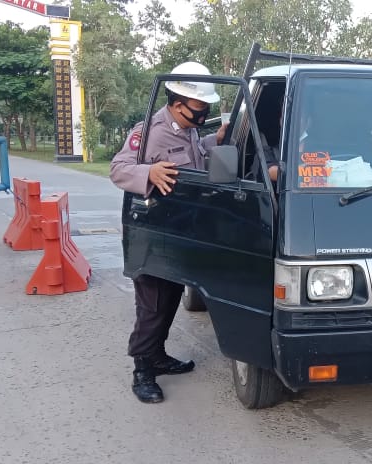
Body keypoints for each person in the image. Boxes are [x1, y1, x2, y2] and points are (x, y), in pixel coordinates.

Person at [109, 61, 224, 404]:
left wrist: (213, 141)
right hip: (151, 234)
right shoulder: (150, 131)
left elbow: (194, 156)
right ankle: (142, 370)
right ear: (177, 103)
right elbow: (118, 169)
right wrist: (148, 172)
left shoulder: (188, 130)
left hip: (179, 231)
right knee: (152, 304)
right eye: (199, 106)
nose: (203, 112)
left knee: (170, 296)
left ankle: (157, 355)